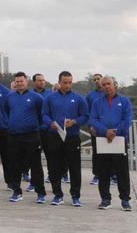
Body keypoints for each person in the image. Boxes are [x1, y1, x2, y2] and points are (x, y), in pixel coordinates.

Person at [42, 71, 88, 207]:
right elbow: (44, 114)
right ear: (59, 82)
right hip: (54, 136)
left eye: (69, 82)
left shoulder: (79, 98)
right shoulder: (50, 98)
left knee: (74, 167)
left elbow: (85, 116)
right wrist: (51, 123)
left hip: (72, 137)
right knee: (54, 166)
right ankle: (57, 195)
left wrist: (74, 122)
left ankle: (75, 196)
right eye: (64, 82)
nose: (67, 85)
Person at [90, 76, 133, 211]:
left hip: (119, 140)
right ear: (101, 87)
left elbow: (128, 119)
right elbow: (93, 119)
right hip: (103, 140)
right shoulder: (97, 102)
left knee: (122, 172)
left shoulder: (124, 101)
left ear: (115, 84)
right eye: (104, 85)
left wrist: (114, 131)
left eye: (109, 84)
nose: (106, 86)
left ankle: (125, 200)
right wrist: (104, 131)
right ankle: (105, 199)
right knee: (103, 171)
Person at [4, 72, 46, 203]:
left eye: (21, 81)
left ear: (26, 82)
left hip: (31, 135)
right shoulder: (9, 96)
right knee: (15, 165)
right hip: (14, 136)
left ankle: (40, 193)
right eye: (17, 82)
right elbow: (7, 111)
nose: (19, 84)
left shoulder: (36, 97)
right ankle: (16, 191)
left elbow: (41, 115)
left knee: (35, 165)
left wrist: (33, 126)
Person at [25, 73, 53, 192]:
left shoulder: (50, 95)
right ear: (34, 82)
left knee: (51, 157)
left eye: (43, 80)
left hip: (48, 131)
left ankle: (53, 179)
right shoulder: (30, 95)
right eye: (39, 80)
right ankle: (34, 182)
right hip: (34, 132)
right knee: (34, 159)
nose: (42, 82)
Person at [86, 73, 105, 185]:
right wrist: (90, 126)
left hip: (108, 128)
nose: (97, 81)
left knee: (110, 152)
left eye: (99, 79)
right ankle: (96, 175)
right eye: (95, 80)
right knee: (96, 152)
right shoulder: (90, 96)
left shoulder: (109, 92)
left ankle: (112, 175)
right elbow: (87, 113)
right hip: (95, 128)